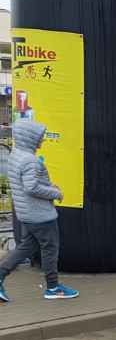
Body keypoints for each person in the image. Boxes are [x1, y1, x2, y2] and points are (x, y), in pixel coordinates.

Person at [0, 120, 79, 302]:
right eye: (39, 138)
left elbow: (28, 183)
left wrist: (49, 185)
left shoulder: (16, 155)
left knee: (26, 247)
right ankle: (53, 287)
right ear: (29, 138)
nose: (42, 140)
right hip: (40, 215)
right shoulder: (30, 160)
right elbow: (32, 187)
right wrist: (55, 193)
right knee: (50, 249)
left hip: (26, 213)